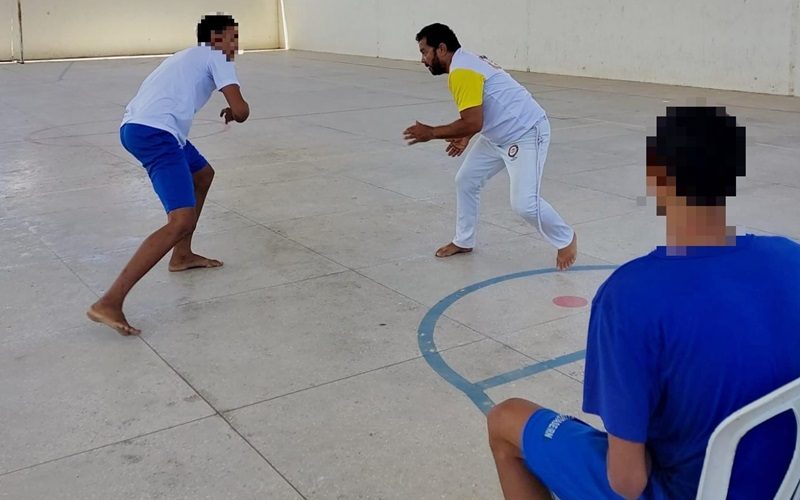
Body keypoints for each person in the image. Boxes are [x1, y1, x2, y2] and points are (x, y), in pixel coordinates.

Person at [486, 106, 800, 499]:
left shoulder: (629, 296)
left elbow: (628, 481)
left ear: (656, 176)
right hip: (783, 484)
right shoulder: (792, 258)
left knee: (505, 419)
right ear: (733, 175)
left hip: (683, 491)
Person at [87, 14, 250, 335]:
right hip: (155, 134)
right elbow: (242, 110)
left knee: (202, 174)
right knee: (180, 220)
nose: (235, 45)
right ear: (217, 38)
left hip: (143, 127)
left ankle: (182, 255)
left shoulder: (186, 55)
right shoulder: (217, 56)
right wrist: (236, 110)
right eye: (232, 37)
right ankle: (109, 301)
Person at [403, 23, 576, 270]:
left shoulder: (462, 70)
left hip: (526, 132)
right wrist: (467, 134)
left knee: (524, 204)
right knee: (466, 180)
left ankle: (566, 238)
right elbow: (480, 111)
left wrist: (431, 133)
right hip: (496, 136)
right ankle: (464, 240)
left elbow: (473, 120)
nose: (422, 60)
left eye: (424, 52)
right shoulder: (465, 62)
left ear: (441, 49)